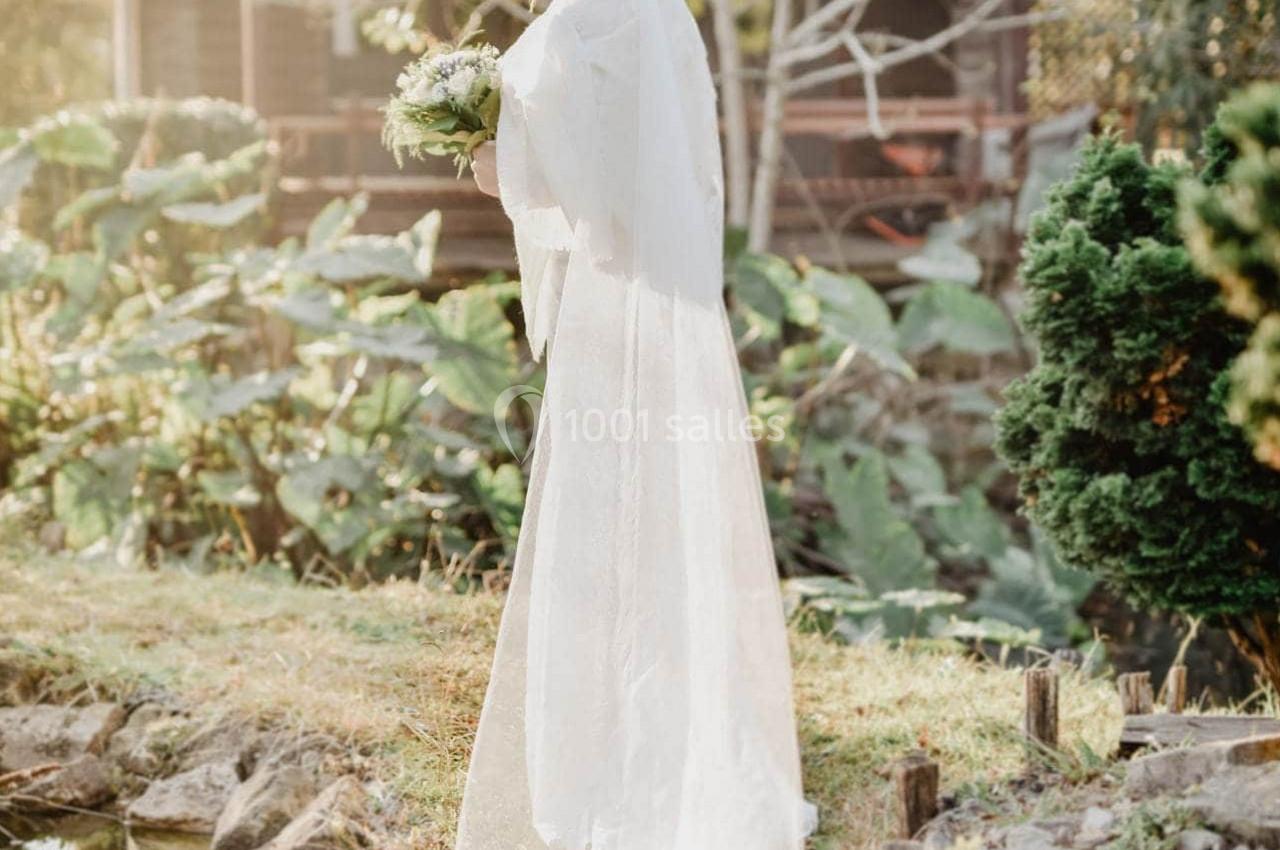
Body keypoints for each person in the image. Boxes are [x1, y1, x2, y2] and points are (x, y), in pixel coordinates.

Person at [458, 0, 816, 847]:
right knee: (670, 522)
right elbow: (658, 167)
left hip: (607, 306)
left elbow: (559, 180)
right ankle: (672, 750)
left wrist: (490, 159)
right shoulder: (666, 17)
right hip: (675, 307)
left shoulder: (584, 21)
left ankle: (600, 765)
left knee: (598, 528)